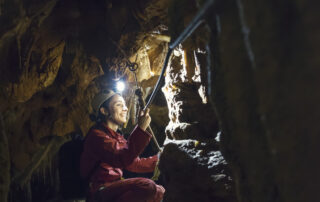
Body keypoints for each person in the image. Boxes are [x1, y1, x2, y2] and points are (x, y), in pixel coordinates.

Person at [80, 89, 165, 202]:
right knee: (147, 186)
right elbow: (122, 158)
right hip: (99, 192)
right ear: (104, 111)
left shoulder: (116, 137)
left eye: (125, 105)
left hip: (114, 189)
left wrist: (161, 159)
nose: (125, 108)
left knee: (159, 190)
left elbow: (135, 164)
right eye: (119, 105)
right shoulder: (96, 137)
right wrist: (140, 129)